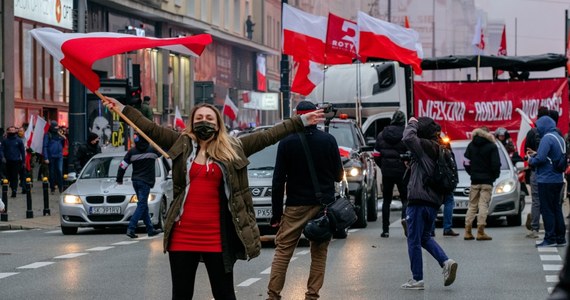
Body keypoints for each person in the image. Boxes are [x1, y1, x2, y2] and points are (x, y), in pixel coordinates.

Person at [101, 96, 324, 300]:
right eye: (199, 118)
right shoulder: (181, 144)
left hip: (217, 237)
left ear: (218, 124)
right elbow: (149, 127)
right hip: (182, 235)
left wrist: (300, 121)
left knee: (224, 294)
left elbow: (269, 135)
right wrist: (122, 108)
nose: (204, 122)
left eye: (209, 118)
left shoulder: (234, 148)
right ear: (192, 123)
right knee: (181, 295)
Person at [266, 101, 343, 300]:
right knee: (319, 253)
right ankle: (312, 295)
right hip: (323, 207)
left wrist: (276, 214)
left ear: (297, 116)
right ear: (316, 117)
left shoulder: (286, 142)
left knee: (283, 251)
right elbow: (338, 175)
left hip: (295, 205)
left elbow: (277, 181)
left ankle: (273, 296)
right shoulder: (328, 140)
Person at [400, 116, 458, 290]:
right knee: (425, 237)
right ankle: (446, 261)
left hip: (419, 200)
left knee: (413, 239)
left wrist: (412, 123)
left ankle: (417, 279)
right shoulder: (440, 147)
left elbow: (407, 138)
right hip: (433, 201)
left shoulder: (424, 146)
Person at [528, 115, 567, 247]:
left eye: (538, 127)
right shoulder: (559, 138)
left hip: (546, 179)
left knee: (547, 209)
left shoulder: (547, 138)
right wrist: (537, 154)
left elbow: (541, 159)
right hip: (558, 178)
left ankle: (550, 238)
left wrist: (531, 160)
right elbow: (551, 156)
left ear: (543, 126)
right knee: (557, 208)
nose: (537, 130)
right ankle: (560, 237)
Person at [117, 133, 163, 238]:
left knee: (144, 205)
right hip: (145, 182)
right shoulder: (152, 150)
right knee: (142, 205)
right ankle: (131, 228)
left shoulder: (132, 152)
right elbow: (163, 150)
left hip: (136, 181)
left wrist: (119, 178)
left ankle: (150, 229)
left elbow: (122, 166)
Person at [373, 110, 408, 238]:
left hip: (387, 172)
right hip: (402, 172)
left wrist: (383, 166)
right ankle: (405, 221)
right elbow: (411, 153)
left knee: (386, 200)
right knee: (405, 199)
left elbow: (376, 155)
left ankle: (385, 230)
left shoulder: (382, 134)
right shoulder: (406, 134)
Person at [463, 127, 500, 241]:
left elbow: (466, 161)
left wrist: (472, 173)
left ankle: (467, 231)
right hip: (487, 181)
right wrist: (494, 176)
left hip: (474, 180)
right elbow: (495, 164)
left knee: (472, 205)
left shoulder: (471, 145)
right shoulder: (492, 146)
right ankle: (480, 231)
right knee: (483, 205)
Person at [525, 106, 550, 238]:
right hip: (549, 171)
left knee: (536, 200)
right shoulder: (552, 132)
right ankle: (549, 227)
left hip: (535, 170)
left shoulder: (531, 132)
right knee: (549, 200)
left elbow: (526, 151)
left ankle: (535, 228)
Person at [1, 126, 25, 197]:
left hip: (16, 161)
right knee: (9, 176)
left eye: (13, 130)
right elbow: (1, 149)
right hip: (7, 161)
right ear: (8, 132)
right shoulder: (5, 141)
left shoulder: (19, 141)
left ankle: (14, 189)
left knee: (15, 176)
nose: (12, 132)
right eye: (10, 130)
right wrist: (2, 157)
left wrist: (23, 161)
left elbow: (22, 151)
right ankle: (11, 186)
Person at [43, 121, 66, 194]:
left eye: (57, 127)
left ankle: (60, 187)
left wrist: (60, 135)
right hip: (51, 156)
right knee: (52, 172)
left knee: (59, 171)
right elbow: (45, 146)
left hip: (59, 156)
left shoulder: (59, 135)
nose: (57, 128)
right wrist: (46, 157)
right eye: (55, 127)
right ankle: (52, 187)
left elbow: (64, 141)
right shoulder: (47, 135)